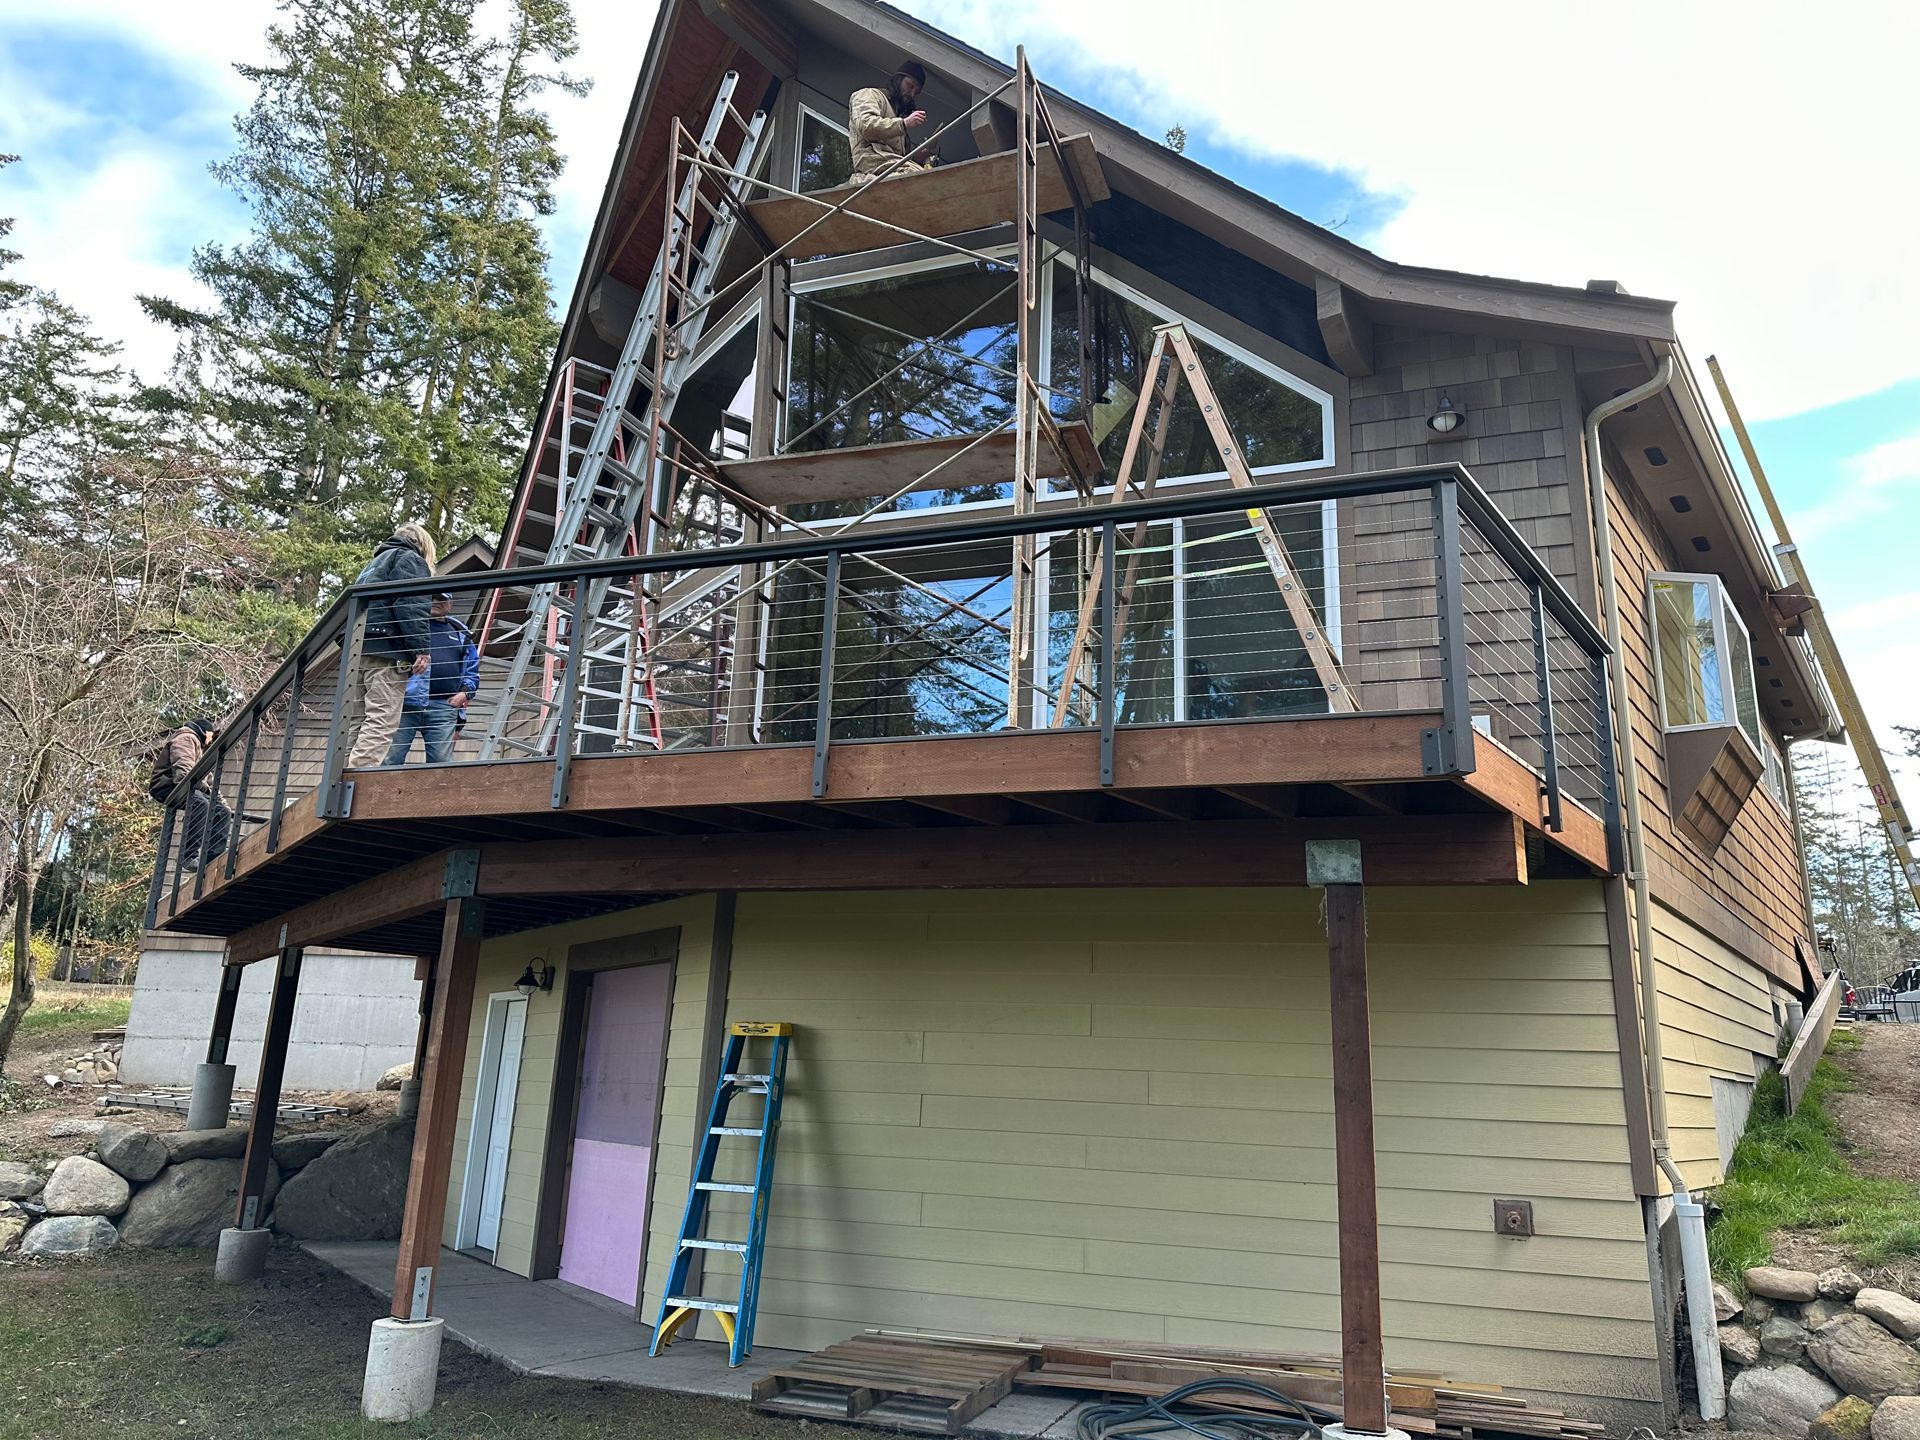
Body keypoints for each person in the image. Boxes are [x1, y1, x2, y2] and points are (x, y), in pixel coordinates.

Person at [346, 522, 438, 768]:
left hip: (358, 648)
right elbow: (411, 604)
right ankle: (358, 778)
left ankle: (339, 778)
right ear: (423, 545)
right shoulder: (410, 560)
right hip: (387, 651)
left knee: (356, 720)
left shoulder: (372, 565)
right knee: (382, 719)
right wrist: (421, 649)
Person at [385, 591, 480, 765]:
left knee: (441, 763)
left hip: (444, 706)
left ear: (450, 604)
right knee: (391, 758)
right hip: (405, 703)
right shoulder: (409, 628)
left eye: (441, 599)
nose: (435, 601)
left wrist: (464, 694)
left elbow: (472, 671)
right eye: (431, 598)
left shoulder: (461, 634)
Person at [147, 719, 231, 868]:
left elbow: (209, 782)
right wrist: (207, 792)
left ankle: (213, 861)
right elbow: (183, 774)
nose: (211, 740)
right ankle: (187, 856)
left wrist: (222, 804)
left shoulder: (198, 748)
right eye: (211, 736)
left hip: (187, 786)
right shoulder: (187, 738)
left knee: (222, 812)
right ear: (206, 732)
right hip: (167, 786)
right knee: (201, 803)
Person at [849, 60, 934, 181]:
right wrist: (904, 123)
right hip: (872, 163)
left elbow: (897, 157)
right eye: (910, 86)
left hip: (891, 167)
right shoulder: (869, 95)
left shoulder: (896, 115)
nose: (912, 94)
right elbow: (866, 126)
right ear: (898, 80)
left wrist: (917, 158)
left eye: (916, 92)